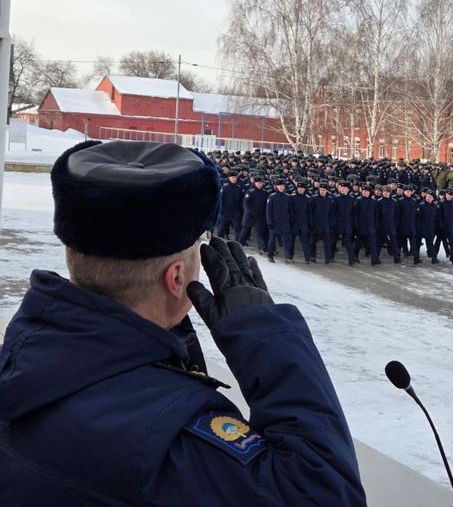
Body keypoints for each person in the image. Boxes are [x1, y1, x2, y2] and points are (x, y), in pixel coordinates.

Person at [0, 140, 365, 505]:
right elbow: (326, 494)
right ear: (176, 278)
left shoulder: (24, 357)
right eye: (197, 247)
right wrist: (265, 335)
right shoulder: (171, 442)